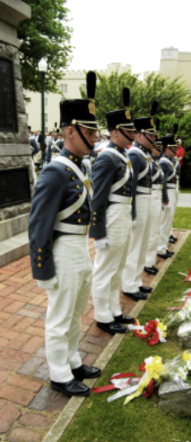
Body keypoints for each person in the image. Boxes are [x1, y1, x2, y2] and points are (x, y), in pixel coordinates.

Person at [28, 71, 101, 398]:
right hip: (62, 250)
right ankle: (59, 373)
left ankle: (72, 361)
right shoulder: (56, 170)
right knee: (60, 314)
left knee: (76, 310)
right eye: (90, 131)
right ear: (71, 131)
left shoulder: (80, 166)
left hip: (79, 247)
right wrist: (43, 270)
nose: (95, 137)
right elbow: (39, 224)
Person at [90, 88, 135, 335]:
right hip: (113, 215)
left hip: (123, 214)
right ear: (115, 131)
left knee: (117, 266)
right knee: (105, 268)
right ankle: (102, 315)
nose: (132, 135)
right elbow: (98, 199)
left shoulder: (122, 154)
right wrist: (98, 231)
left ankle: (114, 310)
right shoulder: (108, 157)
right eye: (128, 131)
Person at [122, 101, 158, 301]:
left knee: (142, 244)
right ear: (138, 135)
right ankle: (129, 284)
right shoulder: (135, 155)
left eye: (153, 135)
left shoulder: (144, 154)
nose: (153, 138)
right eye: (150, 135)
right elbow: (131, 186)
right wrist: (133, 212)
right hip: (139, 203)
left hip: (147, 201)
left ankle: (135, 281)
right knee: (135, 245)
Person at [144, 118, 164, 275]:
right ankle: (148, 261)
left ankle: (149, 260)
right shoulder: (149, 160)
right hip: (150, 196)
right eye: (157, 146)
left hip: (156, 195)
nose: (159, 149)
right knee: (150, 232)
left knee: (155, 230)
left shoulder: (154, 161)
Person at [157, 124, 178, 259]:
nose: (176, 150)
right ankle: (161, 248)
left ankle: (163, 246)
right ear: (167, 148)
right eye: (173, 147)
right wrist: (165, 199)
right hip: (168, 192)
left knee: (168, 221)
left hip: (172, 190)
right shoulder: (164, 162)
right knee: (164, 223)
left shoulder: (169, 160)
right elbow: (162, 182)